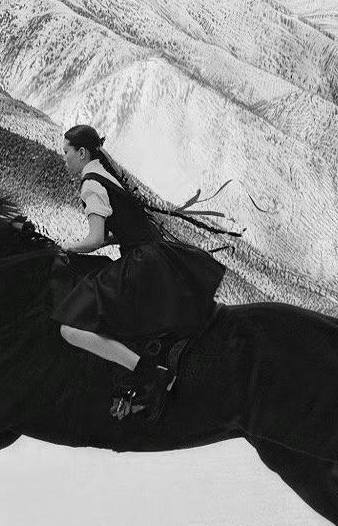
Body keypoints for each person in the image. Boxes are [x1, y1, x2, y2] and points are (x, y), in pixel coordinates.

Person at [52, 124, 232, 422]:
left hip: (141, 263)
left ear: (81, 152)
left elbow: (94, 239)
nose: (64, 158)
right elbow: (120, 228)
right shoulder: (104, 173)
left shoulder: (90, 184)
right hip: (154, 257)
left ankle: (149, 374)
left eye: (66, 152)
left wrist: (65, 247)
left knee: (70, 329)